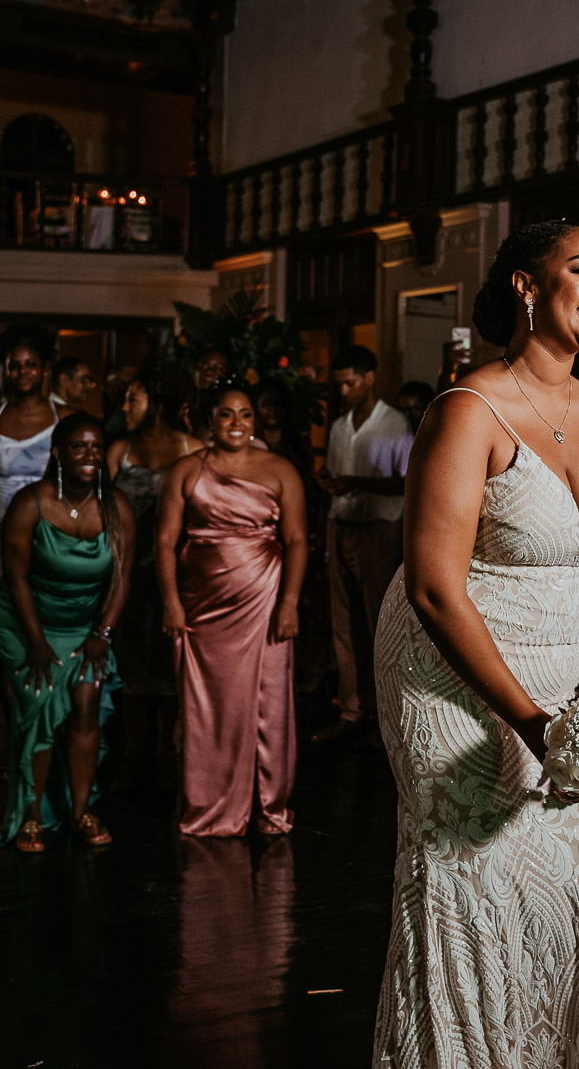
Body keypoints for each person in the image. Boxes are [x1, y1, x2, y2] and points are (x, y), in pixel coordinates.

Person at [372, 221, 579, 1065]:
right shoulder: (467, 410)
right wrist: (530, 723)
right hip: (452, 675)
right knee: (475, 885)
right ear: (528, 286)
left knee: (572, 889)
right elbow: (432, 588)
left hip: (565, 678)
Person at [155, 384, 307, 837]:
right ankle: (209, 806)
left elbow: (297, 540)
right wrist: (171, 601)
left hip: (264, 600)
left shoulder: (281, 470)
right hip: (202, 607)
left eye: (245, 414)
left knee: (268, 702)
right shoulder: (186, 470)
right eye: (226, 415)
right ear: (210, 421)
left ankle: (268, 806)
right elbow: (165, 541)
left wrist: (291, 602)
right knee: (208, 707)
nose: (237, 423)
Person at [0, 415, 134, 851]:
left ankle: (80, 809)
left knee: (87, 704)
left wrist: (103, 632)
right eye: (79, 447)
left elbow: (122, 577)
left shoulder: (117, 507)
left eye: (97, 447)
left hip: (88, 625)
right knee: (38, 706)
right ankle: (32, 813)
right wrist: (36, 642)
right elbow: (15, 579)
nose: (91, 456)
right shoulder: (28, 503)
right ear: (58, 453)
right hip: (29, 621)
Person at [313, 345, 411, 743]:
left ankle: (387, 713)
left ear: (370, 378)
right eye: (339, 385)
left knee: (378, 621)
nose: (344, 391)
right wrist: (332, 483)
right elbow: (339, 475)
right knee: (343, 622)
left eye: (350, 383)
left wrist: (355, 483)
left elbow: (407, 480)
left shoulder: (395, 424)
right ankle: (351, 707)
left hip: (379, 529)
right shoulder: (339, 426)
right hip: (343, 524)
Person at [0, 324, 71, 621]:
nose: (22, 372)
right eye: (15, 366)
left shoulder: (64, 418)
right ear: (5, 371)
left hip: (48, 528)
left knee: (44, 609)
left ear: (44, 370)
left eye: (30, 365)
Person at [106, 381, 194, 698]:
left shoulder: (193, 449)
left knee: (170, 664)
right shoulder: (119, 450)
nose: (125, 408)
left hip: (176, 574)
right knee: (128, 665)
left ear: (156, 405)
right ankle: (131, 742)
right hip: (126, 570)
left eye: (133, 400)